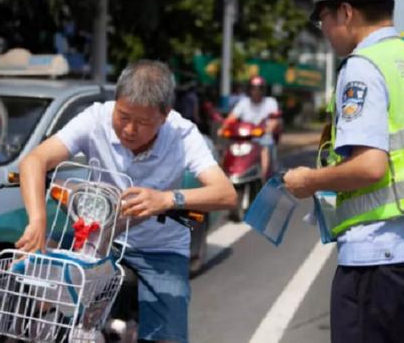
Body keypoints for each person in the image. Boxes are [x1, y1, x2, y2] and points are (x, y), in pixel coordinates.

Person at [284, 0, 404, 343]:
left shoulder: (363, 67)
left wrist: (308, 180)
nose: (325, 32)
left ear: (345, 12)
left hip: (379, 262)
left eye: (323, 19)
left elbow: (370, 166)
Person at [15, 60, 237, 343]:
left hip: (160, 248)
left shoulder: (183, 134)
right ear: (115, 102)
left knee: (166, 337)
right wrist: (37, 221)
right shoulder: (95, 118)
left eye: (143, 122)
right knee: (44, 298)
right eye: (123, 116)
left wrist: (167, 199)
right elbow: (35, 160)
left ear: (165, 115)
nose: (130, 129)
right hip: (100, 239)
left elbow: (226, 193)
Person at [218, 75, 281, 181]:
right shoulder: (243, 103)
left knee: (264, 149)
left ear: (264, 90)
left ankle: (264, 178)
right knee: (228, 149)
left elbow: (274, 120)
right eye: (253, 88)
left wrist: (268, 129)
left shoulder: (271, 102)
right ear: (249, 89)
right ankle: (224, 177)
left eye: (260, 88)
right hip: (244, 138)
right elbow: (231, 118)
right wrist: (222, 128)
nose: (256, 91)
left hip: (262, 137)